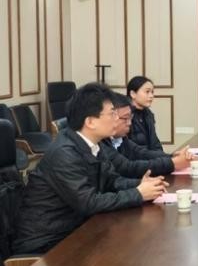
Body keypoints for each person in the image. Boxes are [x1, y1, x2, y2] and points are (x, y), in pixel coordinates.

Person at [12, 82, 167, 254]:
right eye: (112, 113)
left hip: (75, 229)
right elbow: (88, 202)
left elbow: (112, 181)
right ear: (90, 122)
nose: (117, 119)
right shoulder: (64, 153)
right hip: (47, 243)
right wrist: (138, 193)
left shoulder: (94, 144)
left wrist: (142, 185)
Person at [99, 93, 192, 178]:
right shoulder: (100, 143)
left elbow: (142, 153)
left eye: (130, 118)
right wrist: (172, 163)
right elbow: (127, 167)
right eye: (125, 118)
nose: (129, 123)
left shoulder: (121, 138)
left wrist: (172, 157)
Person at [127, 75, 164, 152]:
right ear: (133, 94)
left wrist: (168, 157)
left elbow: (155, 143)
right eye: (147, 92)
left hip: (150, 158)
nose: (151, 96)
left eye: (152, 92)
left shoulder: (148, 114)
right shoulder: (125, 115)